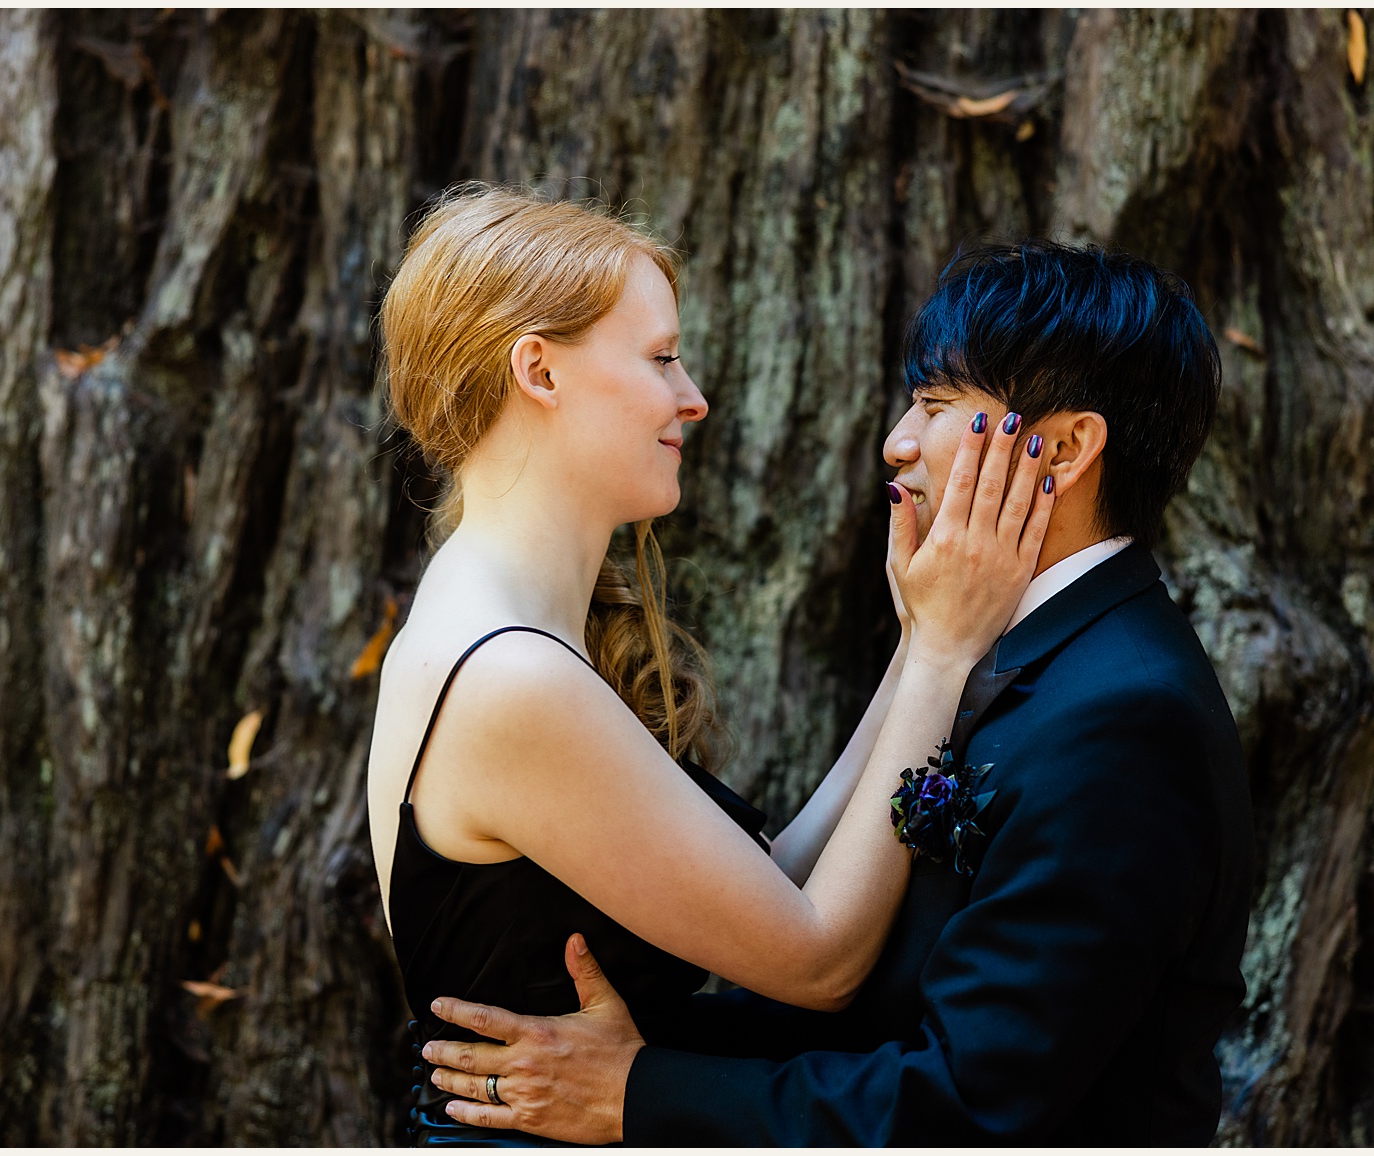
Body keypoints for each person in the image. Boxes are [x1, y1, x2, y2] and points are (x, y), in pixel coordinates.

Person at [415, 240, 1255, 1144]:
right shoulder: (1015, 649)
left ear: (1065, 448)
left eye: (934, 406)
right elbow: (886, 1021)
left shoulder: (1125, 719)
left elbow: (970, 1107)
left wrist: (637, 1094)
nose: (897, 440)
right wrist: (623, 1053)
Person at [364, 186, 1057, 1144]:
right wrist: (944, 655)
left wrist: (916, 648)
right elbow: (818, 959)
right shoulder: (509, 675)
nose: (692, 396)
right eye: (658, 358)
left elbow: (766, 894)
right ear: (539, 371)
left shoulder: (500, 623)